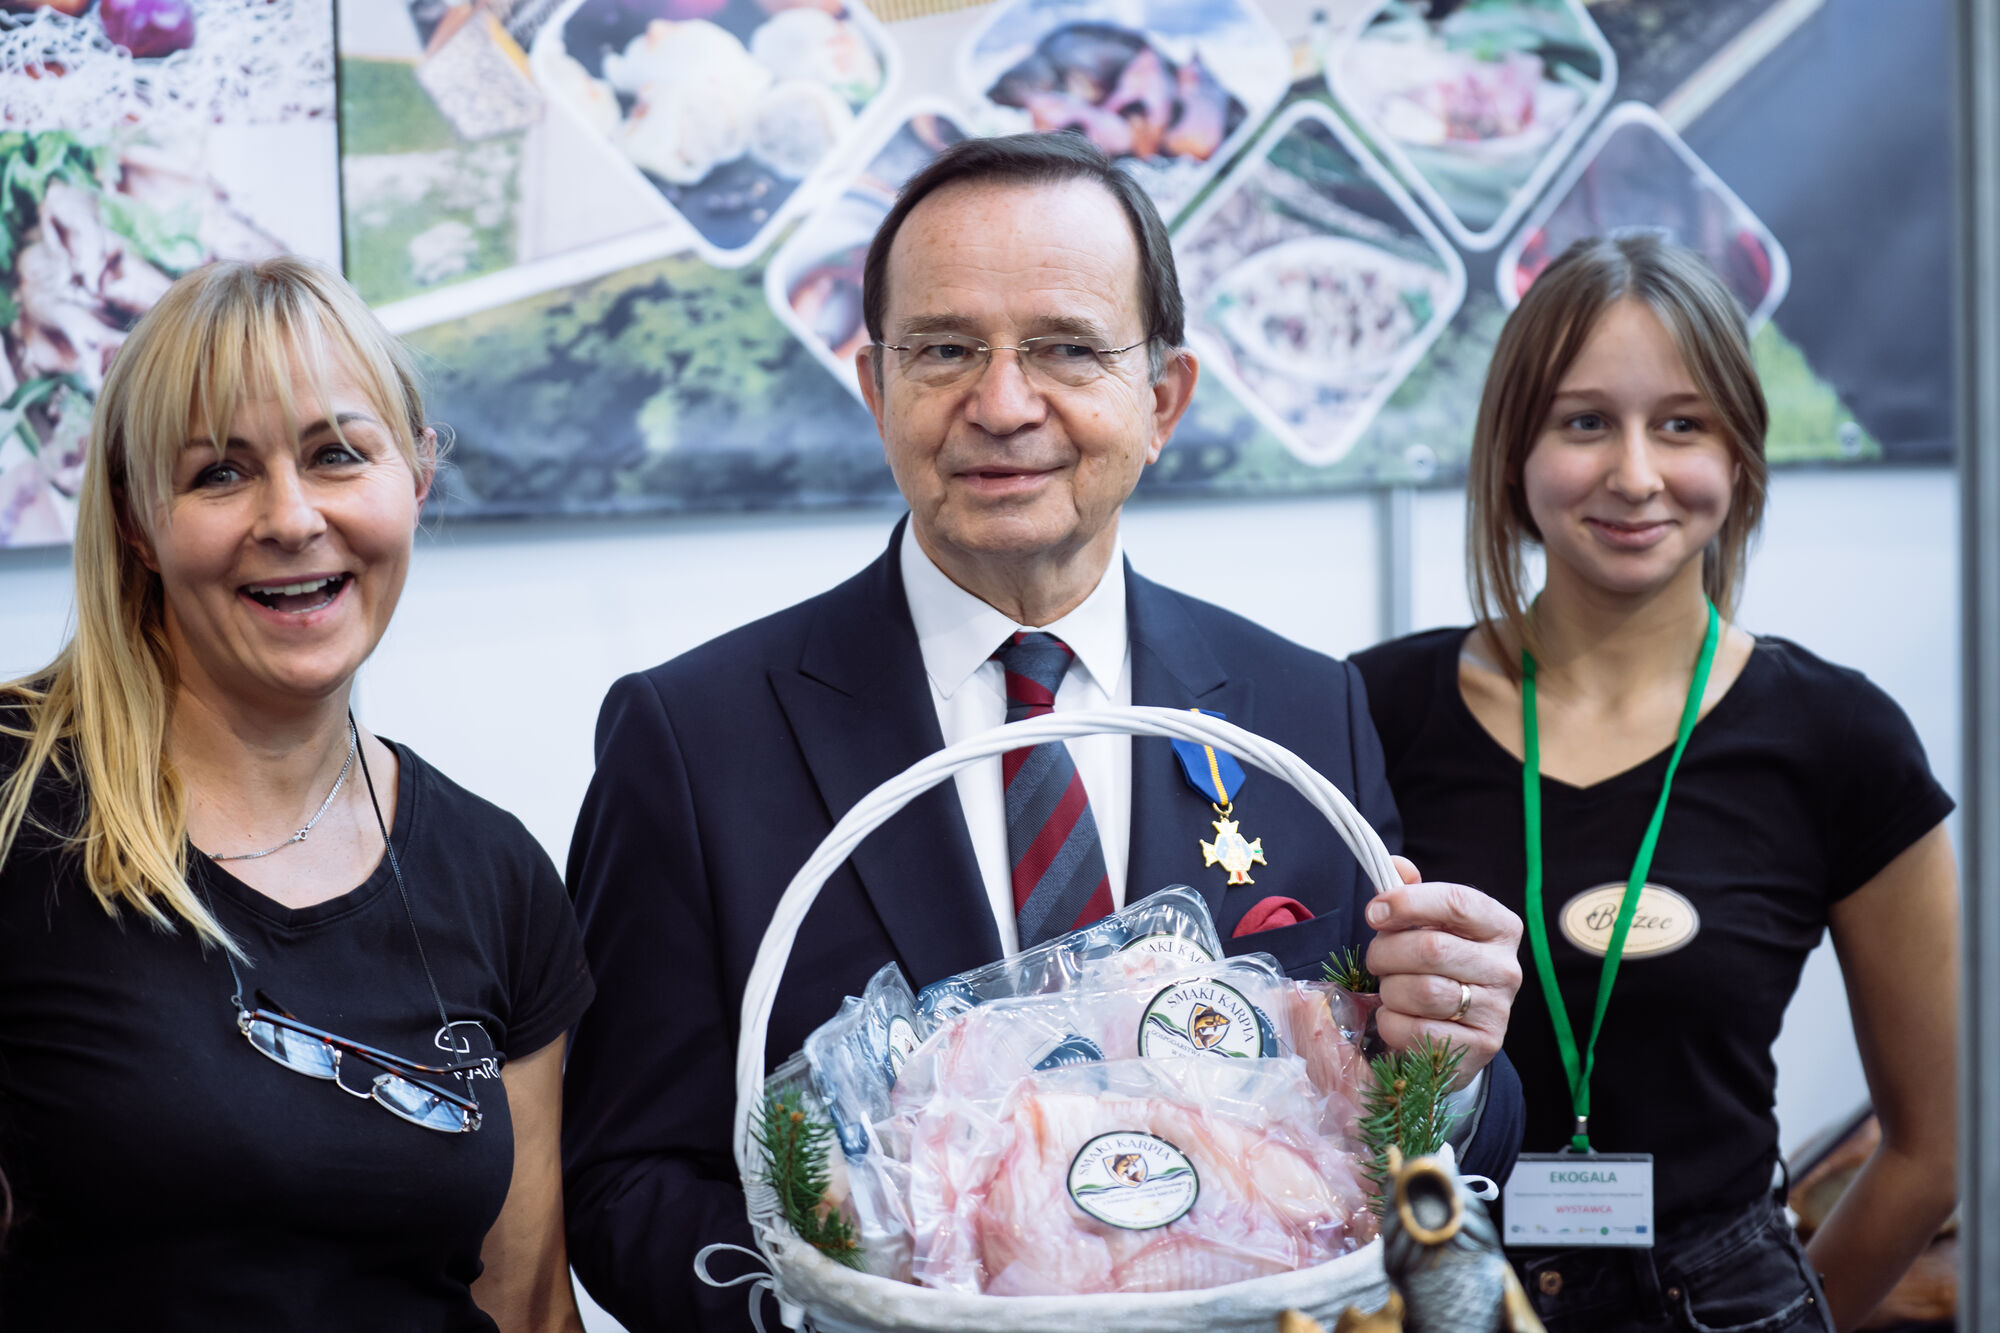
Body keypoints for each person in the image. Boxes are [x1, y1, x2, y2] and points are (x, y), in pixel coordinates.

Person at [562, 132, 1528, 1332]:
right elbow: (623, 1182)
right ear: (875, 390)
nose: (1003, 403)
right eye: (944, 349)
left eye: (1067, 348)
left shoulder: (1301, 710)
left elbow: (1404, 1132)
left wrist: (1451, 1062)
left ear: (1161, 399)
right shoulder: (693, 738)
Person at [1352, 235, 1958, 1333]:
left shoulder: (1839, 738)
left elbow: (1937, 1143)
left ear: (1740, 453)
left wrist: (1781, 1313)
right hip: (1432, 1286)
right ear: (1514, 452)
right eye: (1585, 422)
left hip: (1716, 1293)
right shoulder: (1371, 712)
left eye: (1681, 424)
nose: (1635, 474)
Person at [0, 257, 595, 1331]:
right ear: (136, 519)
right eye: (219, 472)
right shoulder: (15, 803)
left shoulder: (497, 875)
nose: (289, 517)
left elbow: (528, 1302)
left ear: (416, 474)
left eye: (336, 455)